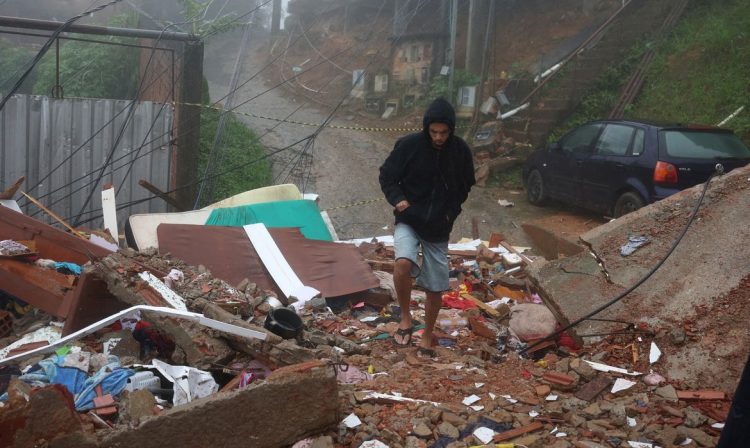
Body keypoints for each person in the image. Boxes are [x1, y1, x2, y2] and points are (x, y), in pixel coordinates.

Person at [378, 97, 475, 357]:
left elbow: (465, 186)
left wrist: (450, 214)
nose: (439, 137)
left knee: (435, 284)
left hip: (438, 227)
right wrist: (399, 201)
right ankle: (406, 317)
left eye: (444, 132)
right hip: (409, 219)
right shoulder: (409, 146)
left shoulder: (461, 152)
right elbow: (387, 176)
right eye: (434, 132)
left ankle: (428, 334)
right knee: (402, 263)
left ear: (451, 130)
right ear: (426, 128)